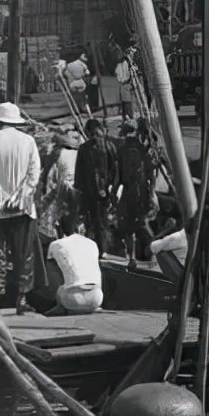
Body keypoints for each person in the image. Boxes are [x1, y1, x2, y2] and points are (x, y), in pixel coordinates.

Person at [0, 101, 42, 314]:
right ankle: (22, 298)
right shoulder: (28, 141)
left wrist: (1, 199)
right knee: (24, 254)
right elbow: (33, 175)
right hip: (23, 208)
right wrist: (19, 198)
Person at [116, 120, 158, 268]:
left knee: (127, 226)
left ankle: (132, 257)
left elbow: (118, 175)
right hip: (142, 192)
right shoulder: (143, 149)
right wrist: (152, 192)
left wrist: (114, 192)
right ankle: (155, 254)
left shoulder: (122, 150)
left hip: (129, 192)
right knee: (143, 224)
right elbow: (151, 174)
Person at [73, 118, 120, 252]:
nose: (94, 137)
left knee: (101, 222)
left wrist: (112, 188)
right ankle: (92, 249)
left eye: (96, 133)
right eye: (91, 134)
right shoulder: (84, 148)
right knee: (89, 222)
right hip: (88, 191)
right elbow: (79, 172)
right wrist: (78, 191)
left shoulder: (108, 147)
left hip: (103, 191)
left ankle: (102, 250)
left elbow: (115, 169)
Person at [47, 231, 103, 314]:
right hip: (97, 297)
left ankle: (59, 306)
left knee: (55, 270)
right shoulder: (92, 244)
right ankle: (89, 308)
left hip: (72, 298)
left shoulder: (56, 244)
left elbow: (50, 266)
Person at [114, 51, 135, 118]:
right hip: (121, 84)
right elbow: (117, 73)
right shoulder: (119, 65)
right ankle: (124, 116)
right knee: (123, 102)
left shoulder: (126, 64)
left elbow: (128, 74)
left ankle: (130, 115)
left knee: (127, 101)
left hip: (126, 83)